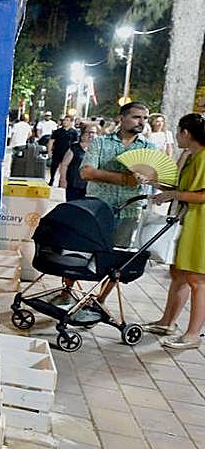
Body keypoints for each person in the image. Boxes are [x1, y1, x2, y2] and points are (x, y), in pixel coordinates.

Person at [143, 113, 205, 350]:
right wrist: (157, 185)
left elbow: (201, 194)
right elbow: (181, 187)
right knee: (179, 273)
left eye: (179, 132)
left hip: (200, 223)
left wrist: (172, 195)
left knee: (197, 279)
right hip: (188, 220)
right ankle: (167, 322)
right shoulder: (192, 157)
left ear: (186, 133)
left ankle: (192, 334)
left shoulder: (203, 158)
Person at [81, 101, 153, 248]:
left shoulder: (149, 147)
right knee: (92, 251)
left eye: (145, 118)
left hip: (130, 211)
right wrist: (126, 179)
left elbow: (156, 178)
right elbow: (86, 172)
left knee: (118, 256)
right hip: (98, 207)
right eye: (136, 117)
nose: (142, 122)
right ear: (121, 118)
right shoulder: (100, 143)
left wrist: (149, 178)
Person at [58, 125, 98, 199]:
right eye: (89, 132)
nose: (91, 135)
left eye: (94, 133)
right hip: (73, 185)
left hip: (89, 187)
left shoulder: (97, 150)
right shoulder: (74, 148)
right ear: (83, 134)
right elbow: (64, 165)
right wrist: (63, 179)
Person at [47, 115, 79, 186]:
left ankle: (61, 181)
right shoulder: (57, 131)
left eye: (67, 120)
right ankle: (52, 179)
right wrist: (49, 151)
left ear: (71, 122)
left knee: (64, 168)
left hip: (67, 153)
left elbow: (75, 143)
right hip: (57, 151)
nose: (65, 122)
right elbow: (51, 141)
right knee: (54, 166)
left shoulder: (74, 132)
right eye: (64, 120)